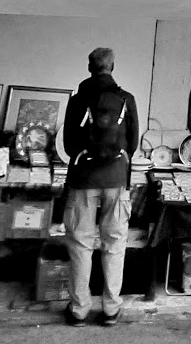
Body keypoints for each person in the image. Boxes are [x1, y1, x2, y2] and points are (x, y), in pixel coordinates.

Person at [61, 47, 141, 327]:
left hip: (83, 180)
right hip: (116, 180)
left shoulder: (77, 100)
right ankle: (110, 309)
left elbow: (68, 145)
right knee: (114, 245)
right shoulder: (127, 99)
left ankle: (79, 310)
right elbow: (133, 144)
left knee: (80, 244)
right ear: (112, 67)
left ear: (89, 67)